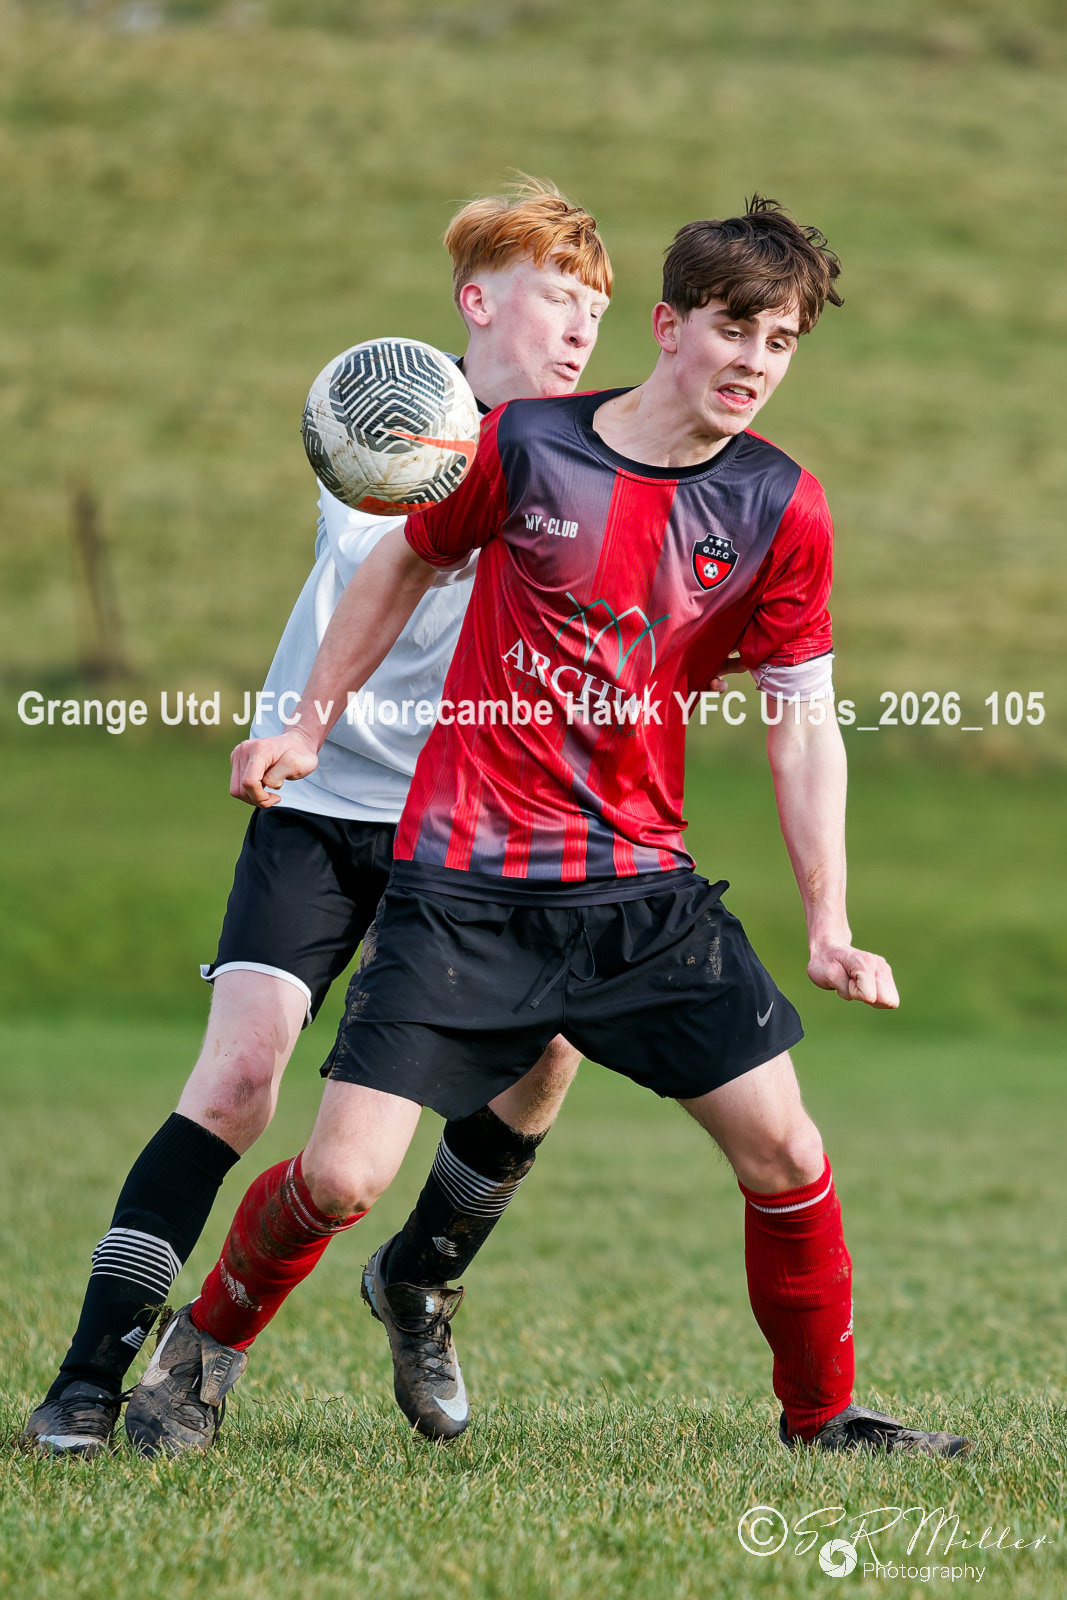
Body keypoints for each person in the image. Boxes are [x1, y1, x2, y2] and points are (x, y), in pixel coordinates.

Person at [123, 196, 972, 1460]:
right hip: (462, 885)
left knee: (785, 1148)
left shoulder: (780, 504)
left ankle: (822, 1417)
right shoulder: (525, 445)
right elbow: (402, 562)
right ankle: (201, 1349)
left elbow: (801, 722)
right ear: (667, 327)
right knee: (343, 1178)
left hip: (637, 893)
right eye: (732, 328)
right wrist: (306, 725)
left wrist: (830, 923)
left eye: (781, 340)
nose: (753, 361)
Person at [19, 179, 613, 1458]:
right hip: (321, 804)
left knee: (550, 1050)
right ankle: (84, 1382)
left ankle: (420, 1278)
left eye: (594, 312)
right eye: (555, 299)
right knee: (237, 1084)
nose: (577, 330)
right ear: (476, 302)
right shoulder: (388, 406)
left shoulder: (587, 453)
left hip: (460, 829)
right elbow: (383, 547)